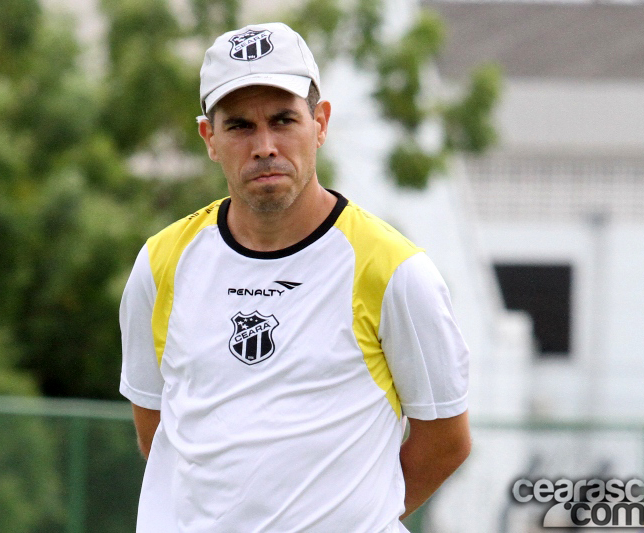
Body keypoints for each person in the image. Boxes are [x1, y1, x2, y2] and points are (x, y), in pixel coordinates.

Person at [119, 22, 471, 533]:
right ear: (209, 138)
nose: (264, 145)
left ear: (321, 122)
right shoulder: (161, 263)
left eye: (283, 120)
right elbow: (157, 432)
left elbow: (446, 442)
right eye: (239, 125)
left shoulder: (395, 271)